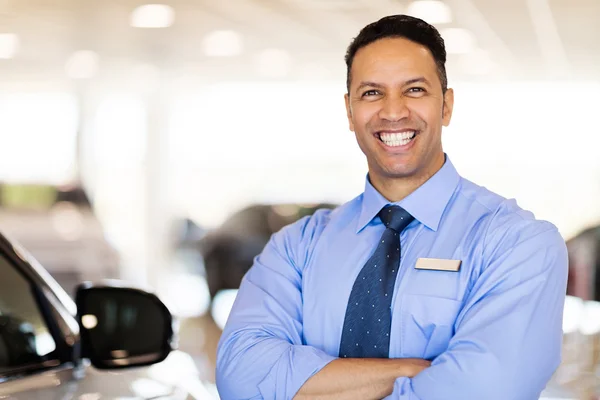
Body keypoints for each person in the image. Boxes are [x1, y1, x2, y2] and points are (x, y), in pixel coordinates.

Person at [216, 14, 568, 400]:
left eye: (414, 90)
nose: (393, 111)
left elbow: (487, 389)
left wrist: (314, 385)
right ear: (350, 111)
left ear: (446, 106)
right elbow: (241, 377)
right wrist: (416, 371)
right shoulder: (297, 247)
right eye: (371, 93)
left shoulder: (517, 243)